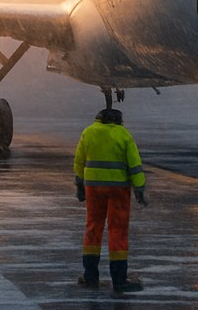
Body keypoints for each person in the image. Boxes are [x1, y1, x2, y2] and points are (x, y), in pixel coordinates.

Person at [74, 107, 147, 297]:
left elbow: (79, 161)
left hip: (93, 189)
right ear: (118, 120)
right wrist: (139, 188)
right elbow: (134, 164)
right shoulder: (123, 135)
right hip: (118, 190)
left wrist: (79, 184)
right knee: (117, 231)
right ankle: (119, 280)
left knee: (93, 228)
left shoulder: (88, 132)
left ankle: (90, 275)